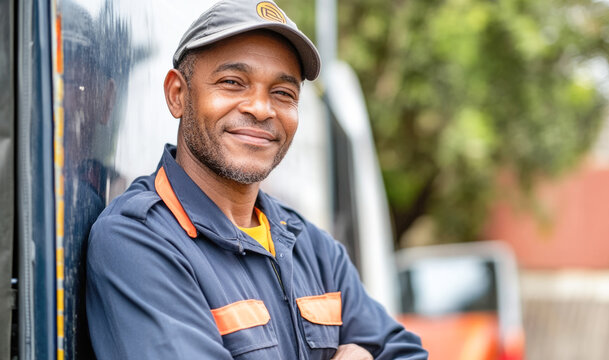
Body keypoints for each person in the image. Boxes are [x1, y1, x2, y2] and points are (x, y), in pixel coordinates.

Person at [85, 1, 428, 359]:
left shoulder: (309, 245)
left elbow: (405, 351)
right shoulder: (138, 241)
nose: (261, 109)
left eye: (283, 93)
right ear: (178, 95)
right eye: (233, 83)